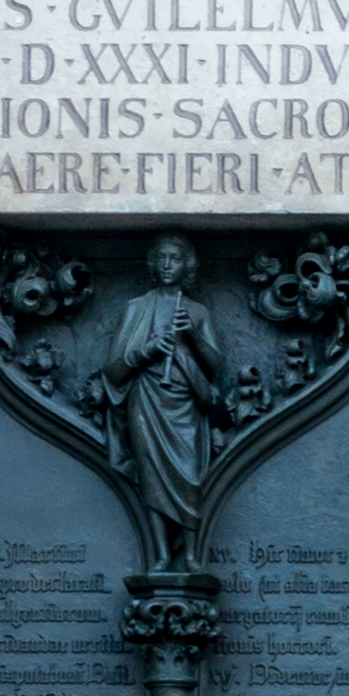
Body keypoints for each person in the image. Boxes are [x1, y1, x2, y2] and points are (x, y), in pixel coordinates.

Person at [92, 233, 242, 546]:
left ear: (187, 265)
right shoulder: (137, 308)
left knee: (189, 477)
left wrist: (193, 336)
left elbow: (216, 365)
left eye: (174, 259)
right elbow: (113, 368)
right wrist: (148, 351)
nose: (167, 265)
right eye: (161, 258)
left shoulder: (197, 311)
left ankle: (190, 554)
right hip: (146, 400)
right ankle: (159, 553)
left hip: (185, 403)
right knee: (151, 477)